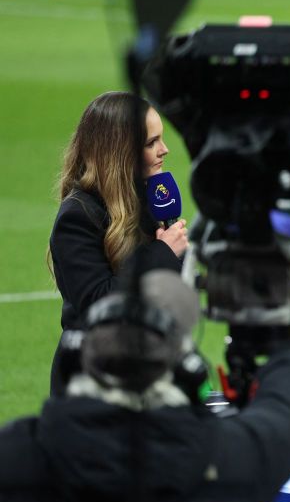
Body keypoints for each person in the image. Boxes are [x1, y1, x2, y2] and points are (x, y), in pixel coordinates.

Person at [0, 265, 290, 502]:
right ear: (187, 370)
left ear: (77, 357)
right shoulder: (224, 461)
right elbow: (287, 411)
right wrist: (283, 350)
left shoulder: (17, 455)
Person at [48, 91, 189, 396]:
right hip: (92, 379)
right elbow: (99, 304)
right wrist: (163, 253)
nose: (164, 150)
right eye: (151, 143)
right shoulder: (79, 216)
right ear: (120, 152)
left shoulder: (149, 200)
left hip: (149, 367)